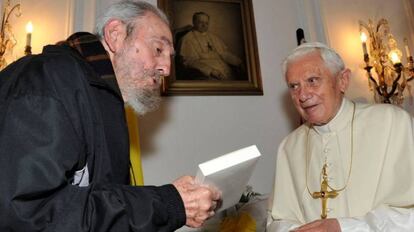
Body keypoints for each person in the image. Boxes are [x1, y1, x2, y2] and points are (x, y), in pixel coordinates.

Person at [0, 1, 221, 231]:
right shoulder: (43, 82)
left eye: (170, 57)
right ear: (115, 35)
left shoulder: (101, 97)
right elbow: (29, 215)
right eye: (158, 49)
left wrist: (172, 199)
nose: (166, 68)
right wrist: (168, 203)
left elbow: (99, 198)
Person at [267, 42, 414, 231]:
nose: (302, 95)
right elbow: (276, 220)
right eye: (294, 86)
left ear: (342, 80)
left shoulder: (393, 123)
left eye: (312, 80)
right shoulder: (288, 148)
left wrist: (344, 227)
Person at [178, 11, 243, 80]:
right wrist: (210, 71)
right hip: (205, 74)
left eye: (206, 23)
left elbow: (224, 54)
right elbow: (189, 61)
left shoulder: (214, 37)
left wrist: (238, 62)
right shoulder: (187, 39)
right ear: (194, 22)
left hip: (224, 70)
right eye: (200, 22)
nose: (204, 25)